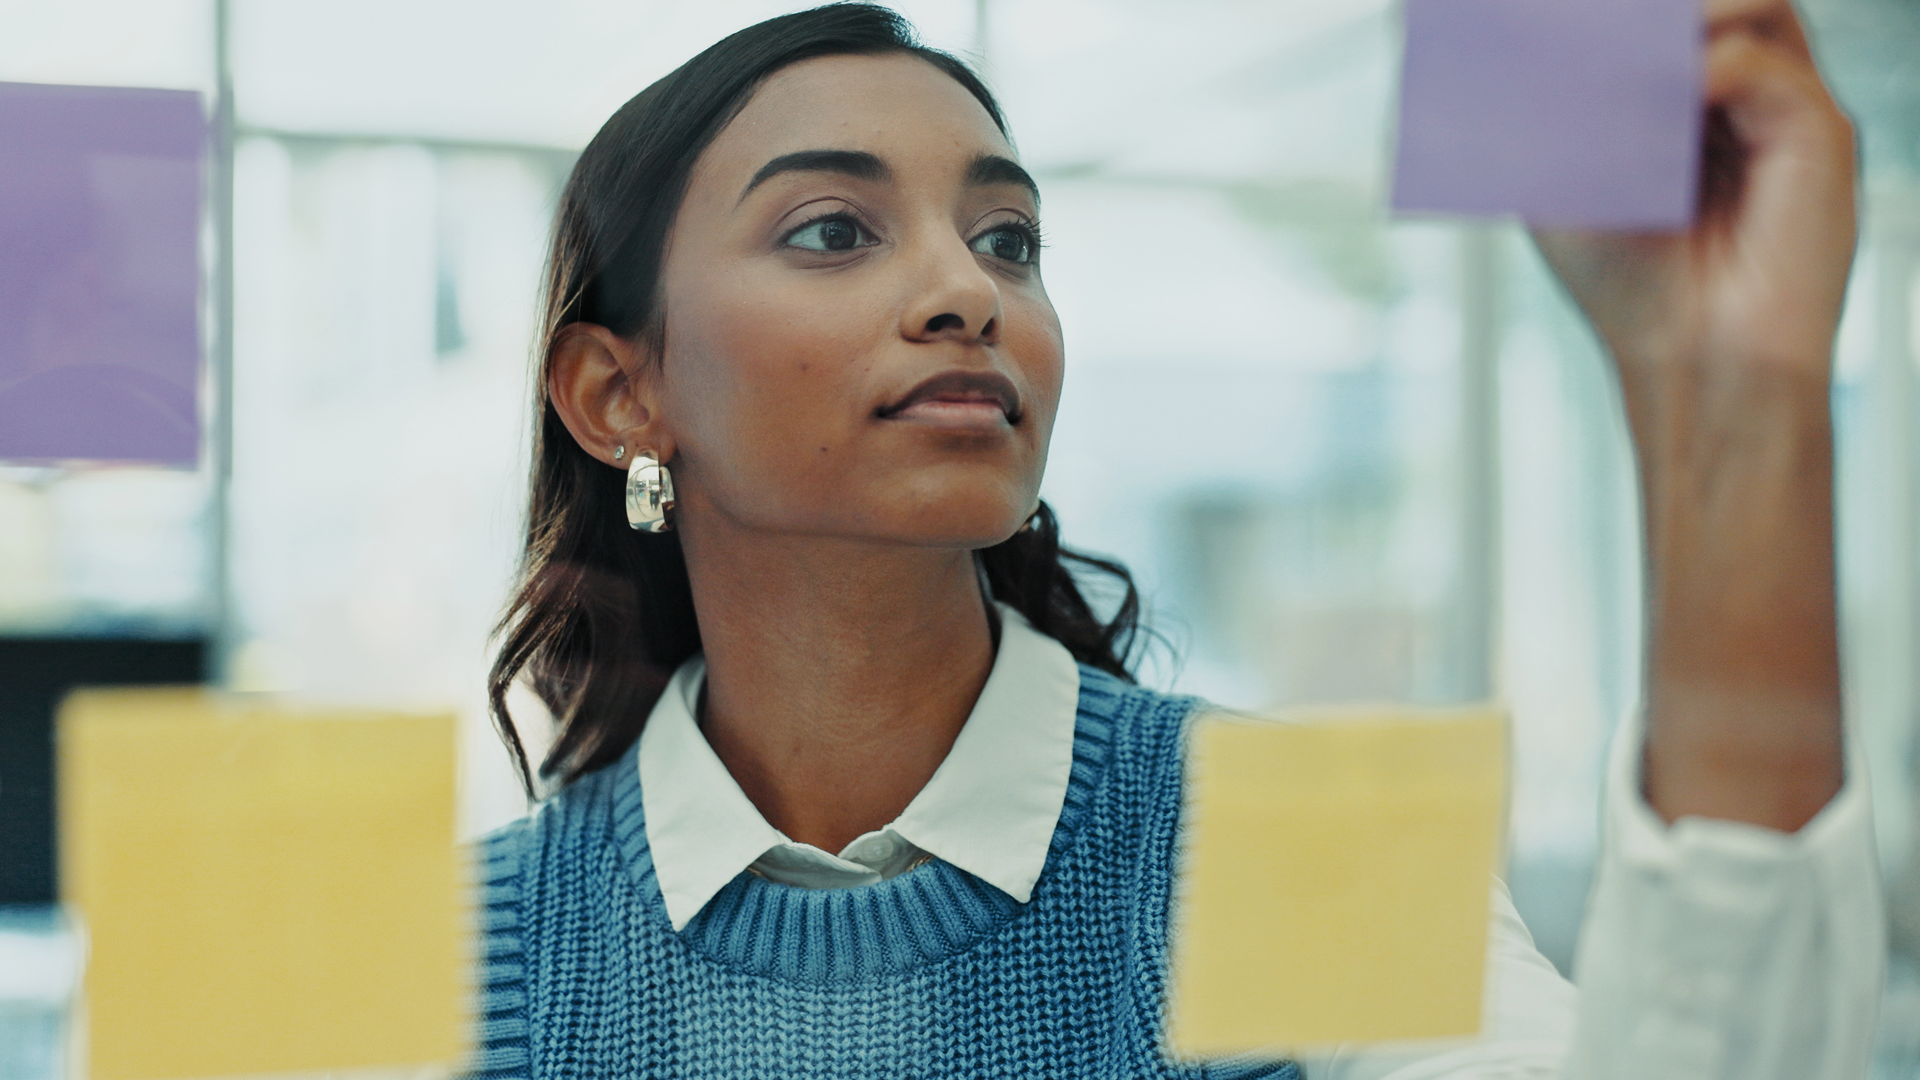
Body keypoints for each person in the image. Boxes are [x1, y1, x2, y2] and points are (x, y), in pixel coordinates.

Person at [469, 3, 1882, 1076]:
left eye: (1008, 238)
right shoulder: (479, 956)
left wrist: (1739, 407)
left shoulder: (1291, 839)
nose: (967, 288)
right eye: (835, 231)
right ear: (619, 393)